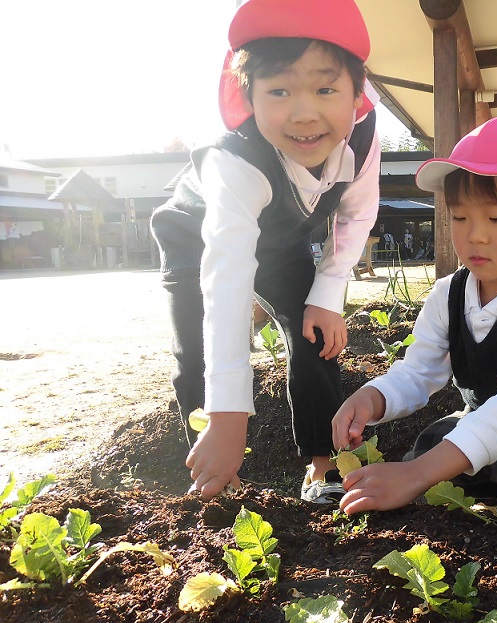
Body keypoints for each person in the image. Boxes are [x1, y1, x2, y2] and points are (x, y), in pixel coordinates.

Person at [150, 0, 381, 501]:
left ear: (356, 93)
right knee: (196, 351)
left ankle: (324, 465)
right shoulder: (235, 160)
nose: (304, 113)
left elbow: (356, 213)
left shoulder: (362, 140)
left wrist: (329, 289)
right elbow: (226, 276)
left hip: (281, 241)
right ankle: (215, 479)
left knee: (315, 333)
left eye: (326, 88)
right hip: (199, 240)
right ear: (247, 94)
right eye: (278, 90)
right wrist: (229, 415)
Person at [323, 117, 497, 513]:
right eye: (459, 217)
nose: (475, 235)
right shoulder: (449, 294)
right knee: (430, 444)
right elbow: (418, 372)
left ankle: (493, 499)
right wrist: (372, 399)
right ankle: (464, 484)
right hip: (484, 411)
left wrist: (419, 475)